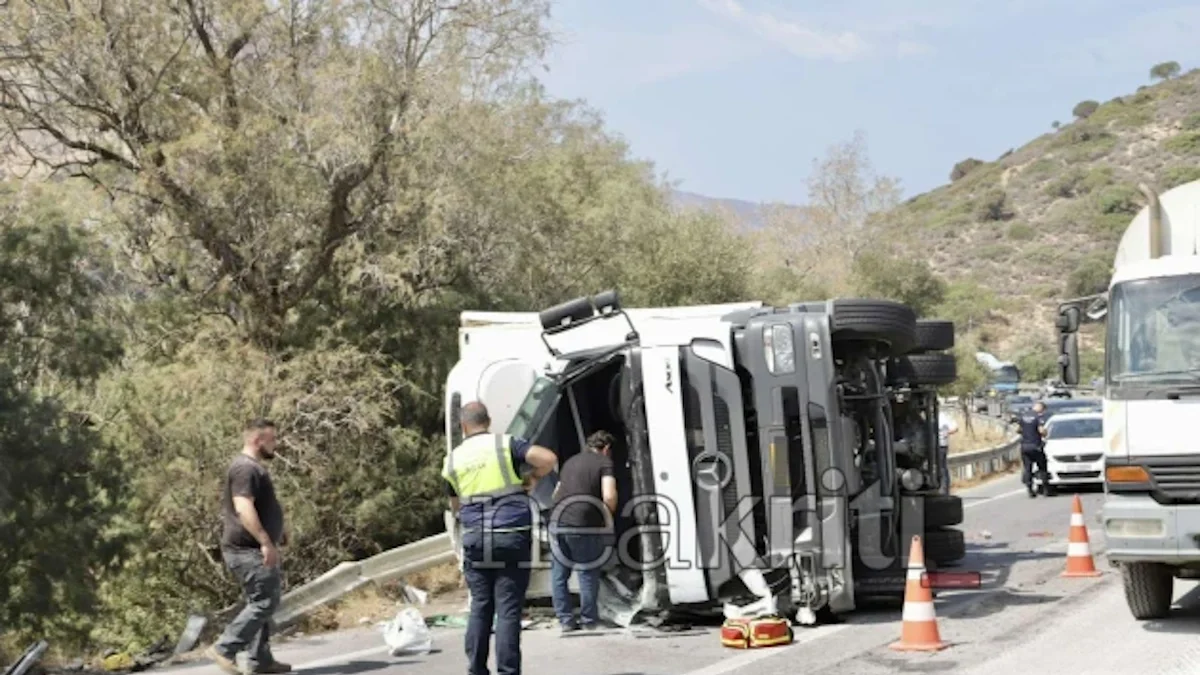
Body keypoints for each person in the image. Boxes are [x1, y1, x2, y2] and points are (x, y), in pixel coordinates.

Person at [444, 402, 557, 675]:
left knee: (480, 607)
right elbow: (548, 458)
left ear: (463, 426)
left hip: (475, 538)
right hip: (510, 535)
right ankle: (508, 672)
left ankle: (476, 670)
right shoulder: (504, 444)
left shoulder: (453, 459)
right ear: (489, 421)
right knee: (507, 610)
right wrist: (532, 480)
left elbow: (455, 503)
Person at [206, 419, 291, 675]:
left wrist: (280, 531)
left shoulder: (252, 468)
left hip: (251, 548)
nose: (276, 445)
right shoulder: (245, 469)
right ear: (258, 440)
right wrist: (265, 541)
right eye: (272, 439)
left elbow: (262, 506)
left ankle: (260, 661)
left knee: (261, 601)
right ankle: (224, 648)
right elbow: (243, 507)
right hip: (248, 550)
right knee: (265, 601)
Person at [548, 430, 619, 634]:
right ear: (606, 449)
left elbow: (556, 493)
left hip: (557, 520)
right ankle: (589, 620)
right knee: (587, 572)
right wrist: (607, 518)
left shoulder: (570, 462)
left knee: (559, 574)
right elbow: (609, 496)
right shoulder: (604, 463)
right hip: (583, 523)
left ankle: (565, 621)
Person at [1012, 401, 1050, 498]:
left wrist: (1026, 433)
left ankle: (1030, 490)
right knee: (1042, 467)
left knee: (1027, 468)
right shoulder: (1038, 417)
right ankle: (1046, 489)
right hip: (1035, 446)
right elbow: (1041, 431)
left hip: (1025, 446)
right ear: (1041, 408)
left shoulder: (1023, 416)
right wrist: (1045, 433)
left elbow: (1017, 430)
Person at [936, 408, 959, 494]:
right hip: (932, 446)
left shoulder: (943, 417)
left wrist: (946, 433)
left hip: (942, 445)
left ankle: (945, 489)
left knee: (942, 468)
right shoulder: (928, 417)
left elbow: (955, 427)